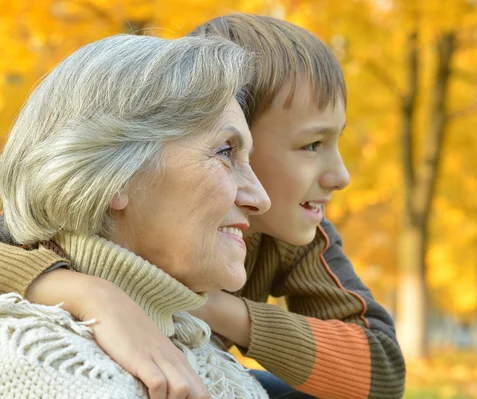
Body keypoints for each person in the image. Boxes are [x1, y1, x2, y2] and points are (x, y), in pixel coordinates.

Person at [0, 14, 406, 399]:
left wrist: (203, 306)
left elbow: (381, 372)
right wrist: (90, 293)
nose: (341, 176)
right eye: (311, 145)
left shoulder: (295, 233)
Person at [0, 33, 271, 399]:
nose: (261, 198)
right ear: (115, 176)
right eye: (225, 151)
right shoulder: (45, 366)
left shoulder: (217, 365)